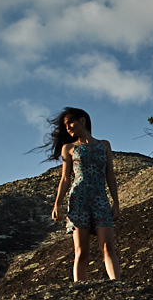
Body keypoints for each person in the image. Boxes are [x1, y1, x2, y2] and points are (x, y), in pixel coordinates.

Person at [45, 107, 121, 281]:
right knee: (81, 250)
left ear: (83, 120)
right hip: (78, 199)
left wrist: (116, 203)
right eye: (65, 126)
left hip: (100, 199)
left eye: (70, 123)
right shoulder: (69, 148)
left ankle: (117, 284)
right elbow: (65, 179)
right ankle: (79, 288)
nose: (68, 128)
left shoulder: (104, 145)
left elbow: (110, 175)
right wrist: (57, 204)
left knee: (107, 246)